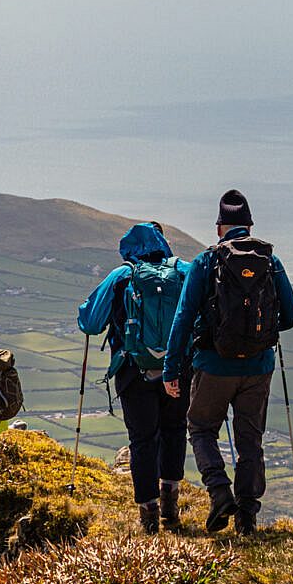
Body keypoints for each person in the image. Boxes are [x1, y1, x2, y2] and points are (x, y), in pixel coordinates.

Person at [163, 190, 293, 536]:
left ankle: (219, 491)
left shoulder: (206, 261)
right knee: (250, 441)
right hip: (258, 368)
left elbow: (183, 318)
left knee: (200, 427)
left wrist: (171, 369)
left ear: (219, 228)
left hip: (213, 365)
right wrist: (262, 333)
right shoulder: (270, 260)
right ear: (250, 225)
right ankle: (247, 516)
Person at [78, 222, 191, 533]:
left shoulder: (122, 275)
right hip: (177, 368)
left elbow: (89, 323)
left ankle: (149, 514)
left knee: (142, 440)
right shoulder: (182, 272)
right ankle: (171, 504)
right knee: (174, 430)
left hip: (132, 370)